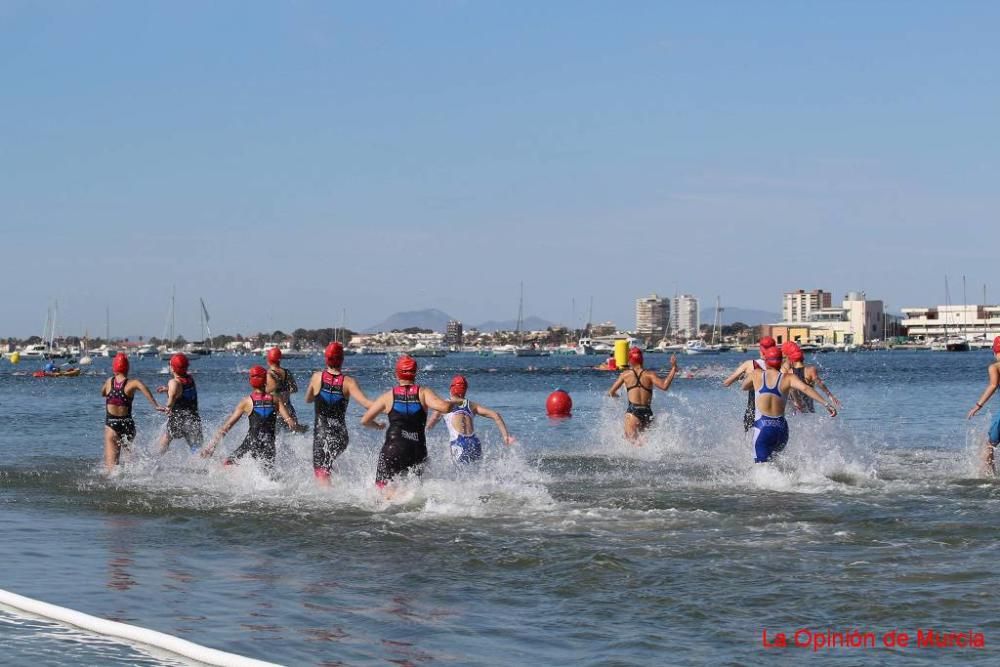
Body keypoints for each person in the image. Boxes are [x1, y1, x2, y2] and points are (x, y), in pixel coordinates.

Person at [360, 355, 455, 495]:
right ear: (415, 373)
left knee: (383, 493)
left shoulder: (389, 396)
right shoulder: (423, 393)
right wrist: (455, 401)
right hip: (417, 450)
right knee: (415, 493)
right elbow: (445, 408)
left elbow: (365, 420)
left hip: (393, 449)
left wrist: (378, 426)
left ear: (396, 374)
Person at [740, 346, 837, 463]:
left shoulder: (756, 374)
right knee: (776, 463)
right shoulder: (789, 378)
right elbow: (806, 388)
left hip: (762, 428)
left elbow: (744, 387)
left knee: (762, 469)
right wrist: (827, 404)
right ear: (781, 361)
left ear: (765, 361)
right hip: (781, 429)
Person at [201, 365, 306, 469]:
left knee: (228, 464)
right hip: (269, 445)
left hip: (250, 443)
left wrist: (211, 446)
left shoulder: (246, 402)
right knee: (267, 474)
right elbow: (291, 423)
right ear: (265, 381)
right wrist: (301, 428)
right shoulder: (276, 400)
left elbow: (226, 427)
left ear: (250, 382)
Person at [303, 342, 375, 484]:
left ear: (326, 359)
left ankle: (329, 502)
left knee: (321, 471)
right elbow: (367, 404)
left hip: (322, 435)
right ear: (342, 359)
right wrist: (389, 406)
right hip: (341, 436)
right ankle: (341, 486)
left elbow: (308, 399)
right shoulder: (349, 382)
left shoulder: (317, 377)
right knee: (327, 466)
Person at [100, 352, 166, 474]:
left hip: (112, 425)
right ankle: (141, 472)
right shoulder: (133, 383)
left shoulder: (109, 381)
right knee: (129, 460)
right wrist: (156, 405)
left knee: (111, 470)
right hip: (128, 425)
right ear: (127, 368)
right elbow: (143, 388)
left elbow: (102, 393)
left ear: (114, 368)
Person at [427, 375, 516, 464]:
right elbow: (496, 415)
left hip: (459, 443)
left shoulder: (444, 405)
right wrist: (506, 437)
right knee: (478, 472)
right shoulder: (471, 405)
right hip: (475, 442)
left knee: (460, 475)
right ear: (465, 390)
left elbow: (429, 426)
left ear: (451, 389)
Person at [607, 348, 679, 442]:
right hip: (647, 412)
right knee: (644, 445)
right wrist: (673, 369)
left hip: (633, 412)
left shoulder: (625, 375)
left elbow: (610, 392)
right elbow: (664, 386)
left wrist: (617, 396)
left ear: (630, 360)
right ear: (642, 360)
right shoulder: (650, 375)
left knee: (630, 445)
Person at [723, 336, 777, 431]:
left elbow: (727, 383)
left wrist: (742, 378)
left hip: (754, 411)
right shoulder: (780, 366)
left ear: (761, 349)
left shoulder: (749, 364)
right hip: (774, 413)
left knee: (750, 441)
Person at [966, 336, 1000, 476]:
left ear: (995, 351)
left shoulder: (995, 367)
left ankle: (989, 478)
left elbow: (993, 386)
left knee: (989, 446)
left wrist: (978, 405)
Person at [156, 353, 203, 454]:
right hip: (193, 420)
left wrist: (167, 407)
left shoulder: (174, 382)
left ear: (172, 368)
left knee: (166, 438)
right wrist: (167, 389)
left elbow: (172, 397)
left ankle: (156, 460)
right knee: (197, 449)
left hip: (178, 420)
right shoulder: (190, 379)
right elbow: (182, 392)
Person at [783, 342, 841, 414]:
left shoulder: (789, 373)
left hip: (796, 409)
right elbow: (820, 384)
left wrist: (797, 402)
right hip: (809, 410)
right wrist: (830, 395)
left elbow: (792, 391)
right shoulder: (810, 370)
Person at [265, 347, 300, 429]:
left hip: (275, 410)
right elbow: (294, 389)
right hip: (288, 408)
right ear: (280, 359)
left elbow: (264, 393)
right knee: (295, 433)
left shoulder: (269, 374)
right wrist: (285, 391)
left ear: (268, 360)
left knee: (273, 436)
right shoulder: (288, 372)